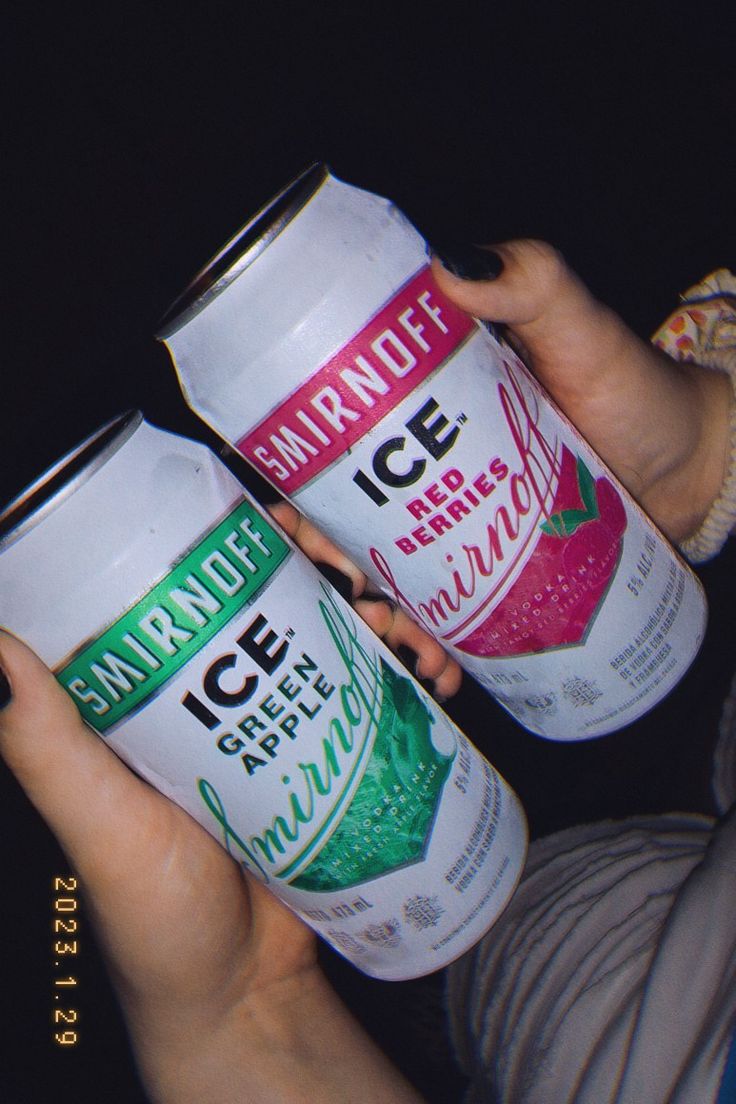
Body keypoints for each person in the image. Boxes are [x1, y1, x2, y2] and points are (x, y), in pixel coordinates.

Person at [0, 240, 734, 1103]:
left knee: (529, 931)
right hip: (652, 941)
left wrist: (231, 1012)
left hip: (588, 1017)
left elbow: (230, 1014)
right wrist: (705, 450)